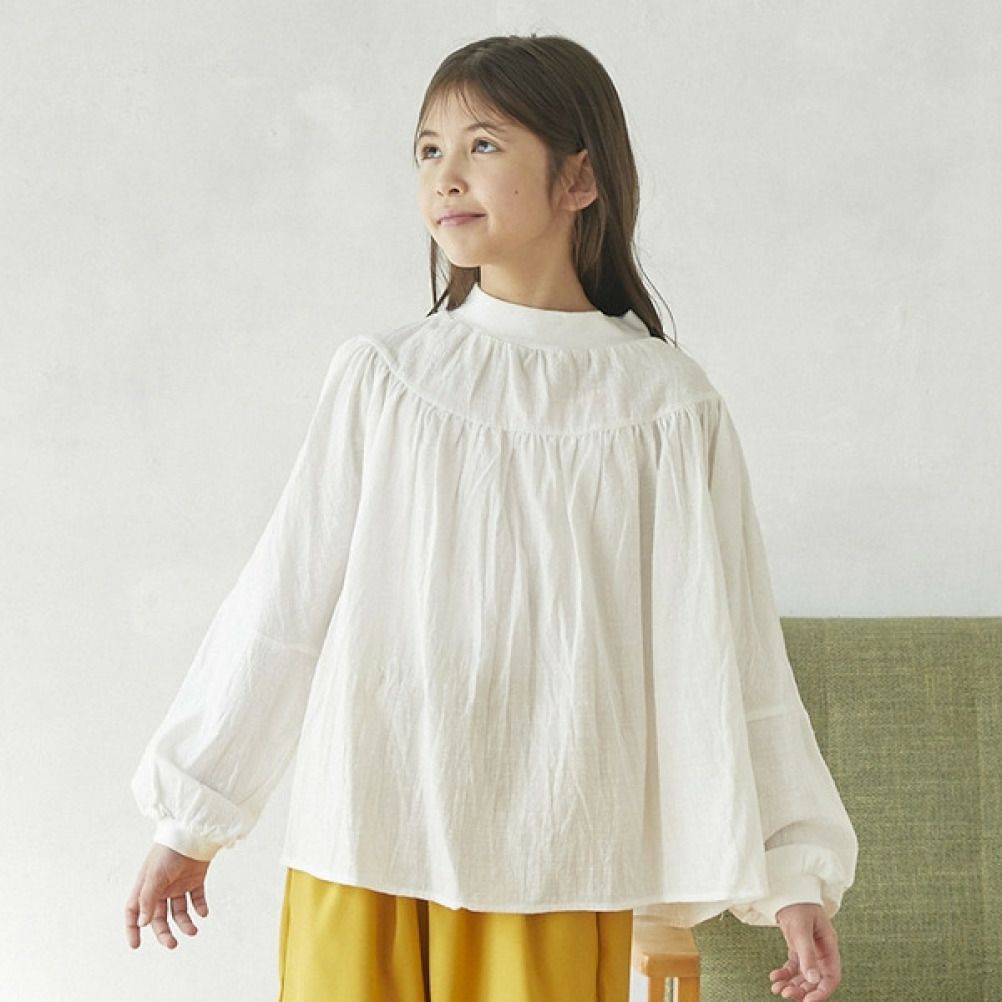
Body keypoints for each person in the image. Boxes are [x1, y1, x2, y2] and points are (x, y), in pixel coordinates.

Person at [124, 33, 857, 1002]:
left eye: (482, 144)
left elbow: (734, 651)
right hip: (368, 830)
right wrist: (193, 816)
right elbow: (282, 605)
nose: (445, 175)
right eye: (428, 149)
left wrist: (793, 869)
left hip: (557, 851)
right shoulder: (386, 379)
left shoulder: (669, 408)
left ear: (578, 179)